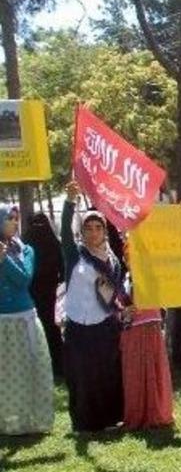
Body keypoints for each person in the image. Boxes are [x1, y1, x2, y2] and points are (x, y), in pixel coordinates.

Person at [60, 182, 125, 432]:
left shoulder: (112, 262)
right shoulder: (75, 254)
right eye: (89, 227)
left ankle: (109, 419)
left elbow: (115, 292)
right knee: (81, 375)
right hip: (77, 323)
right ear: (84, 231)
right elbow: (65, 231)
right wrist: (69, 202)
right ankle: (84, 422)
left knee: (105, 373)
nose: (94, 232)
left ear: (104, 231)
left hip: (104, 325)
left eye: (98, 227)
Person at [0, 204, 54, 435]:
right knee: (5, 373)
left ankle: (31, 420)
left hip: (24, 318)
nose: (14, 222)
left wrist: (4, 261)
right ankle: (7, 422)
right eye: (9, 218)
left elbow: (24, 279)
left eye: (16, 218)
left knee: (30, 370)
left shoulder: (26, 249)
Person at [119, 255, 174, 430]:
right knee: (134, 371)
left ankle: (154, 412)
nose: (132, 260)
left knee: (152, 369)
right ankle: (137, 413)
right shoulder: (124, 278)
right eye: (128, 257)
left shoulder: (152, 276)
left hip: (149, 326)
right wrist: (123, 311)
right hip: (130, 330)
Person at [23, 212, 64, 376]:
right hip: (50, 293)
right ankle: (57, 365)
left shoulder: (26, 243)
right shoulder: (54, 243)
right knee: (52, 330)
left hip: (32, 294)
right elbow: (63, 269)